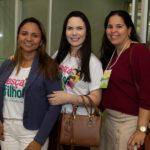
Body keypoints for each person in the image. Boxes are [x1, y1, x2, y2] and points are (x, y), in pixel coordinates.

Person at [0, 17, 62, 150]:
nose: (28, 39)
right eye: (24, 34)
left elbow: (55, 107)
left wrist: (39, 140)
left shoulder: (49, 67)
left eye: (34, 35)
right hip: (7, 131)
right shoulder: (7, 65)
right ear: (18, 36)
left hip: (32, 133)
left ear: (41, 41)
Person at [47, 11, 103, 150]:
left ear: (86, 31)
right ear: (65, 31)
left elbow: (96, 99)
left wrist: (68, 98)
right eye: (70, 28)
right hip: (56, 120)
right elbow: (43, 69)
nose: (74, 33)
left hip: (77, 125)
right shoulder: (59, 55)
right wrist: (22, 58)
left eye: (79, 28)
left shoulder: (93, 62)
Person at [99, 10, 150, 150]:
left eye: (119, 26)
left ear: (129, 29)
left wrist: (141, 129)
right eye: (110, 27)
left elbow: (147, 94)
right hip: (108, 121)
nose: (113, 31)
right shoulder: (112, 54)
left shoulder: (139, 52)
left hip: (128, 123)